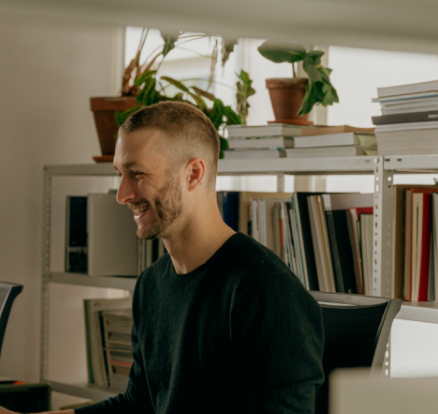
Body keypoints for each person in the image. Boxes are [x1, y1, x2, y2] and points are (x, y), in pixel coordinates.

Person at [0, 101, 324, 414]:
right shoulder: (151, 285)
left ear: (194, 174)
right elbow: (138, 405)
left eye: (137, 173)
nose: (122, 195)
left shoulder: (265, 291)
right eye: (120, 174)